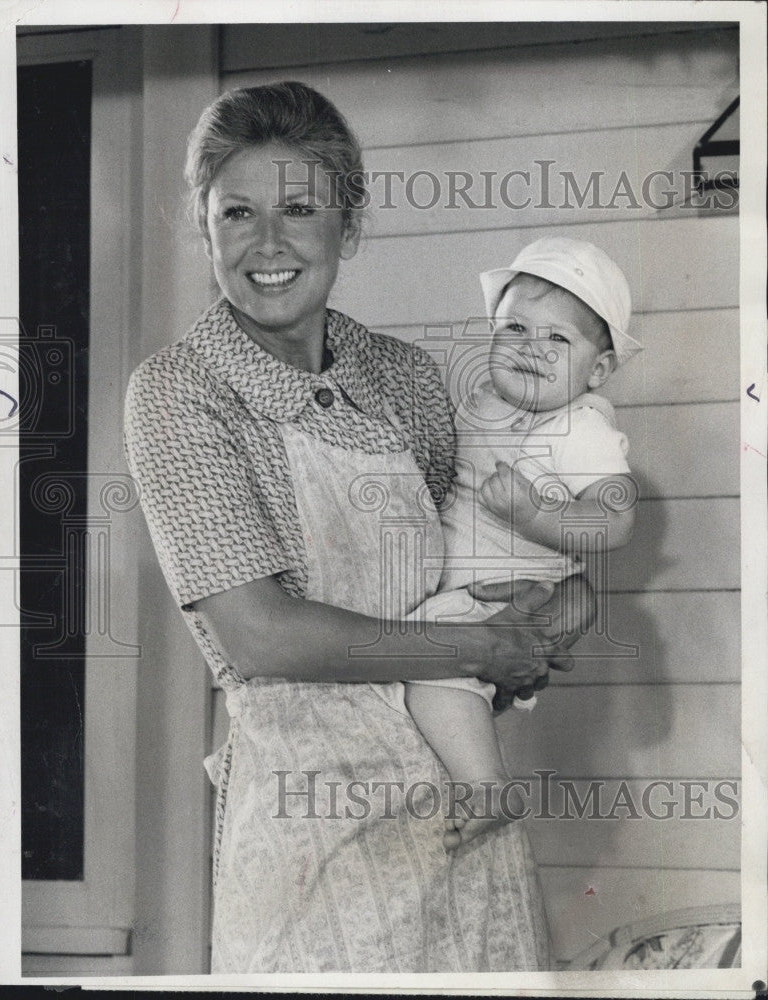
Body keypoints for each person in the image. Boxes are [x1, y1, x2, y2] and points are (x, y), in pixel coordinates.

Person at [124, 81, 588, 973]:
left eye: (299, 210)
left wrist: (546, 602)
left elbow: (473, 562)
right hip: (311, 836)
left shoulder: (406, 380)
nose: (267, 245)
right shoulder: (181, 391)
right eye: (236, 213)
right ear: (203, 225)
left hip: (462, 812)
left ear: (350, 225)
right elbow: (261, 635)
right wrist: (484, 650)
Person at [404, 236, 643, 854]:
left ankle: (487, 786)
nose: (531, 349)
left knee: (435, 678)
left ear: (598, 369)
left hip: (491, 602)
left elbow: (615, 522)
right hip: (466, 590)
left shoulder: (577, 426)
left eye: (557, 339)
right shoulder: (482, 403)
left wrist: (538, 515)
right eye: (515, 328)